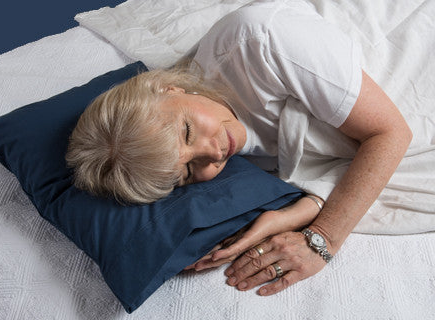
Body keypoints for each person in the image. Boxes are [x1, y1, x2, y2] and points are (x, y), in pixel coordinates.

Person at [66, 0, 412, 296]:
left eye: (187, 131)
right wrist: (291, 213)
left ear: (169, 89)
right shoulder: (214, 152)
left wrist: (321, 238)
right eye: (187, 171)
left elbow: (391, 133)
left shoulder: (261, 43)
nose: (212, 154)